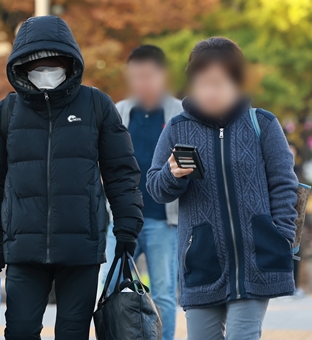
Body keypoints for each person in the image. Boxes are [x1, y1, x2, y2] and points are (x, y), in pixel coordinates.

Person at [0, 16, 144, 339]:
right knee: (20, 332)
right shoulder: (4, 113)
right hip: (23, 248)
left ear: (70, 62)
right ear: (21, 67)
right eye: (37, 64)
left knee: (72, 333)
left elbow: (121, 172)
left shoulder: (97, 105)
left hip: (81, 247)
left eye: (54, 63)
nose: (46, 71)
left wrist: (127, 227)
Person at [147, 37, 298, 340]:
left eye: (218, 83)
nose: (210, 91)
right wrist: (172, 173)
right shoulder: (177, 128)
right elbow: (155, 188)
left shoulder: (263, 124)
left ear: (237, 82)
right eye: (202, 83)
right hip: (201, 262)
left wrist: (280, 236)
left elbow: (284, 184)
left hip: (257, 258)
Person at [104, 44, 181, 340]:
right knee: (111, 288)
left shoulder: (180, 112)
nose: (142, 83)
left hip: (165, 219)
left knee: (163, 294)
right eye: (136, 76)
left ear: (162, 76)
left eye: (148, 76)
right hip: (121, 220)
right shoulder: (119, 111)